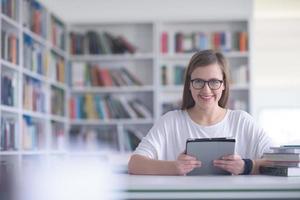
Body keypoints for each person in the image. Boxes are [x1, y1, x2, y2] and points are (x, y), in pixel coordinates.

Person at [128, 49, 273, 175]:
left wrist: (246, 166)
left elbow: (278, 162)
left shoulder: (242, 121)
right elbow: (134, 164)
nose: (206, 90)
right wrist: (174, 167)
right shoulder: (170, 121)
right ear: (189, 85)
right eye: (198, 81)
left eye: (214, 82)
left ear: (224, 85)